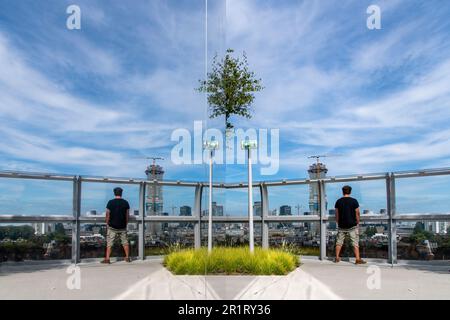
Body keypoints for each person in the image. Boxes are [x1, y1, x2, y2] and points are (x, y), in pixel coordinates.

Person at [334, 185, 366, 264]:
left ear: (343, 192)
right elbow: (357, 213)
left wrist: (338, 222)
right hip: (352, 225)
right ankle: (357, 259)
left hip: (341, 225)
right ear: (350, 192)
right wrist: (357, 221)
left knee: (339, 242)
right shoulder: (354, 201)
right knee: (355, 242)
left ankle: (337, 258)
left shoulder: (338, 201)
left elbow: (336, 214)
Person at [101, 187, 131, 264]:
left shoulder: (110, 202)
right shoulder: (125, 203)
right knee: (125, 242)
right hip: (122, 226)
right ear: (121, 193)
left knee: (110, 243)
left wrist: (107, 223)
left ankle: (107, 259)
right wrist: (126, 223)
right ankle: (127, 257)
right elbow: (127, 215)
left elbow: (108, 214)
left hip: (112, 226)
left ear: (114, 193)